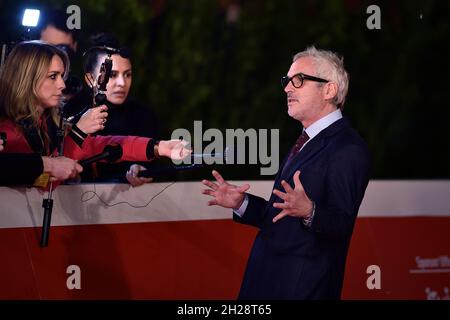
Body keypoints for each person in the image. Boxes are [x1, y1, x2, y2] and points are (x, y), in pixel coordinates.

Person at [201, 46, 371, 299]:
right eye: (287, 81)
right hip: (267, 280)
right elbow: (282, 215)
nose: (287, 88)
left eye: (298, 80)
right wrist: (241, 203)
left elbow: (342, 224)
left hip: (301, 288)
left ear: (329, 89)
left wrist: (310, 211)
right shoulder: (306, 140)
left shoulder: (348, 148)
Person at [0, 41, 189, 188]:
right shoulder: (6, 128)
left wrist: (157, 147)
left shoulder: (48, 123)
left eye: (62, 76)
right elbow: (44, 181)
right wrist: (77, 134)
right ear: (27, 78)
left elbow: (99, 146)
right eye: (53, 76)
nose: (62, 85)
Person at [64, 33, 161, 186]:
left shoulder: (143, 116)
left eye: (128, 74)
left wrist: (142, 169)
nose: (122, 83)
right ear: (90, 79)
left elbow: (155, 164)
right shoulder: (71, 111)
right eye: (112, 75)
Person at [1, 135, 82, 185]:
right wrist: (50, 166)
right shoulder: (13, 131)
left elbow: (36, 181)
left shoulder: (49, 122)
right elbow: (24, 180)